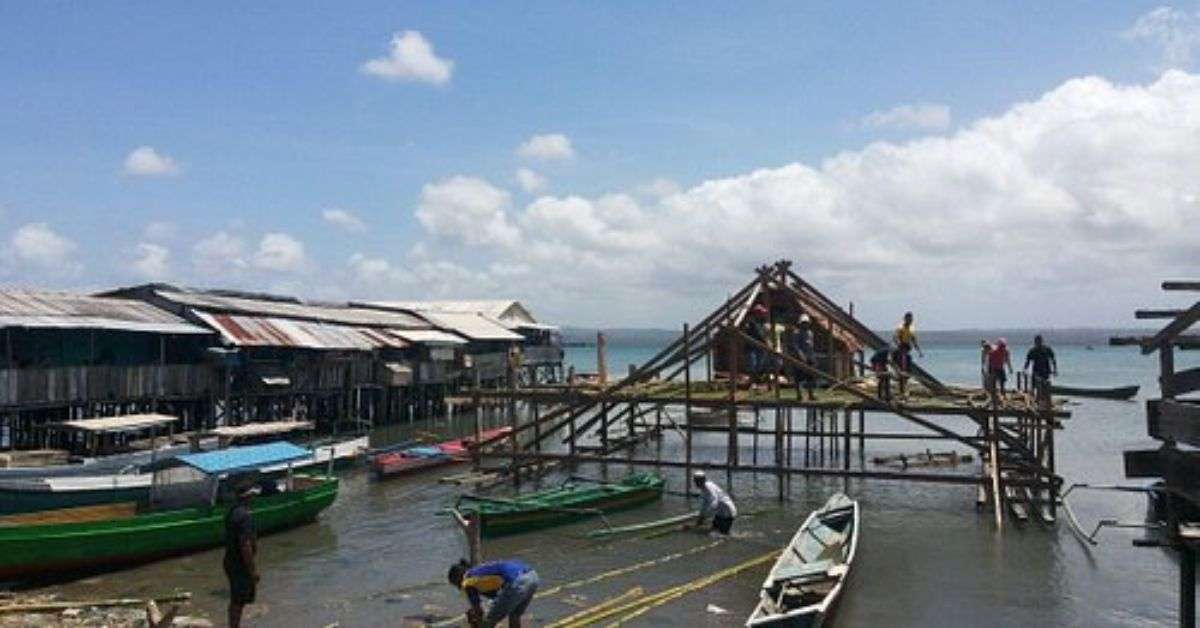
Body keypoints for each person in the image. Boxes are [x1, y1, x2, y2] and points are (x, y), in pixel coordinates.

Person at [448, 558, 540, 628]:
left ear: (457, 578)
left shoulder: (467, 581)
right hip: (532, 576)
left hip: (517, 582)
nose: (459, 588)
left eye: (455, 585)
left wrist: (473, 621)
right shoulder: (480, 571)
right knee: (514, 615)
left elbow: (479, 612)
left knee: (489, 621)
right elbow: (500, 596)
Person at [224, 481, 260, 628]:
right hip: (240, 564)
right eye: (252, 495)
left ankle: (234, 625)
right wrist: (253, 570)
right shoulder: (244, 516)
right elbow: (245, 545)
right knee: (238, 600)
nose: (254, 498)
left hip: (230, 560)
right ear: (247, 497)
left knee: (237, 598)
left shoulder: (232, 512)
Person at [692, 470, 738, 535]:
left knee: (723, 535)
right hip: (720, 513)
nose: (696, 483)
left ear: (703, 480)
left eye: (698, 481)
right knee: (713, 531)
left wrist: (704, 517)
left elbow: (713, 504)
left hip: (727, 512)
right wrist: (701, 516)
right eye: (695, 481)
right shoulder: (704, 489)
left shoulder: (709, 488)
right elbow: (704, 505)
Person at [892, 312, 923, 395]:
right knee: (901, 370)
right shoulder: (900, 328)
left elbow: (914, 340)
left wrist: (919, 351)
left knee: (907, 370)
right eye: (908, 319)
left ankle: (903, 388)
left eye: (911, 319)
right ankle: (901, 390)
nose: (910, 321)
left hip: (907, 349)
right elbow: (895, 338)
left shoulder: (911, 329)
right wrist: (899, 345)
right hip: (900, 350)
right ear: (905, 319)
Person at [1024, 334, 1058, 406]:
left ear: (1042, 341)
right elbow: (1028, 361)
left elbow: (1053, 360)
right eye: (1036, 341)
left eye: (1039, 341)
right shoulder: (1032, 350)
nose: (1038, 343)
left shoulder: (1047, 349)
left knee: (1045, 387)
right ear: (1035, 342)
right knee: (1035, 387)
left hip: (1046, 371)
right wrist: (1025, 369)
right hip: (1036, 372)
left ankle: (1044, 401)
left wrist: (1055, 369)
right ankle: (1036, 401)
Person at [790, 314, 816, 401]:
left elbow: (811, 345)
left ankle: (810, 394)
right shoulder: (796, 333)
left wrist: (811, 357)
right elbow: (796, 346)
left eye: (806, 323)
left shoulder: (810, 333)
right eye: (803, 323)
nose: (805, 324)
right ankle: (799, 395)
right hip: (799, 357)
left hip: (810, 356)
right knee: (798, 377)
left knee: (811, 376)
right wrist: (801, 356)